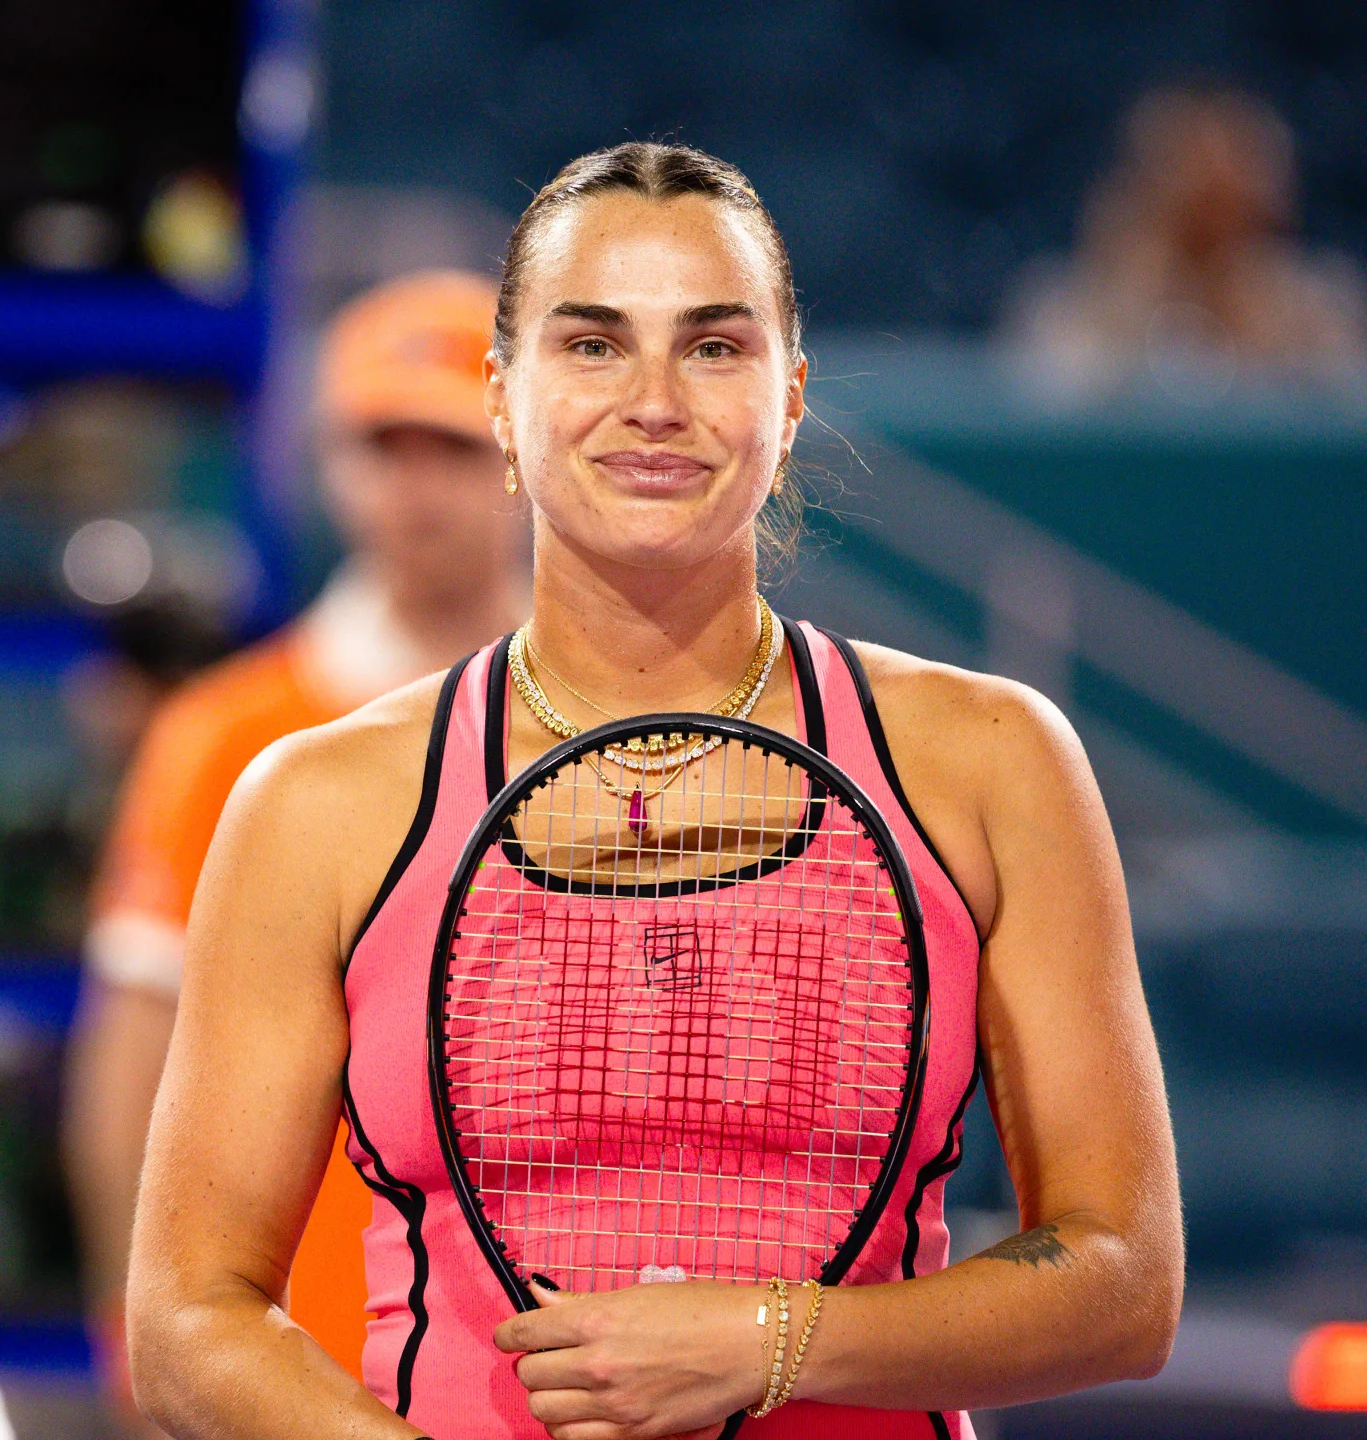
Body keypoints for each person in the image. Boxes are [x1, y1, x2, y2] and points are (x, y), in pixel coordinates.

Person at [127, 143, 1182, 1439]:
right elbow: (187, 1322)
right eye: (592, 345)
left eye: (714, 348)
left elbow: (1125, 1277)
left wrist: (772, 1342)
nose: (654, 403)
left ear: (790, 402)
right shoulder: (314, 802)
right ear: (501, 398)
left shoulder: (996, 761)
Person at [64, 270, 528, 1423]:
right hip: (293, 1374)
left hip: (563, 1372)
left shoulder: (630, 734)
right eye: (383, 446)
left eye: (452, 447)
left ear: (522, 457)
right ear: (330, 464)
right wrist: (143, 1340)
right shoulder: (222, 735)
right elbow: (131, 1065)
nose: (415, 488)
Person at [1004, 86, 1367, 396]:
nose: (1212, 223)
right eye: (1195, 202)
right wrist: (1127, 308)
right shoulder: (1061, 305)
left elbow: (1342, 413)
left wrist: (1268, 336)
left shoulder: (1320, 305)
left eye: (1229, 202)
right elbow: (1047, 403)